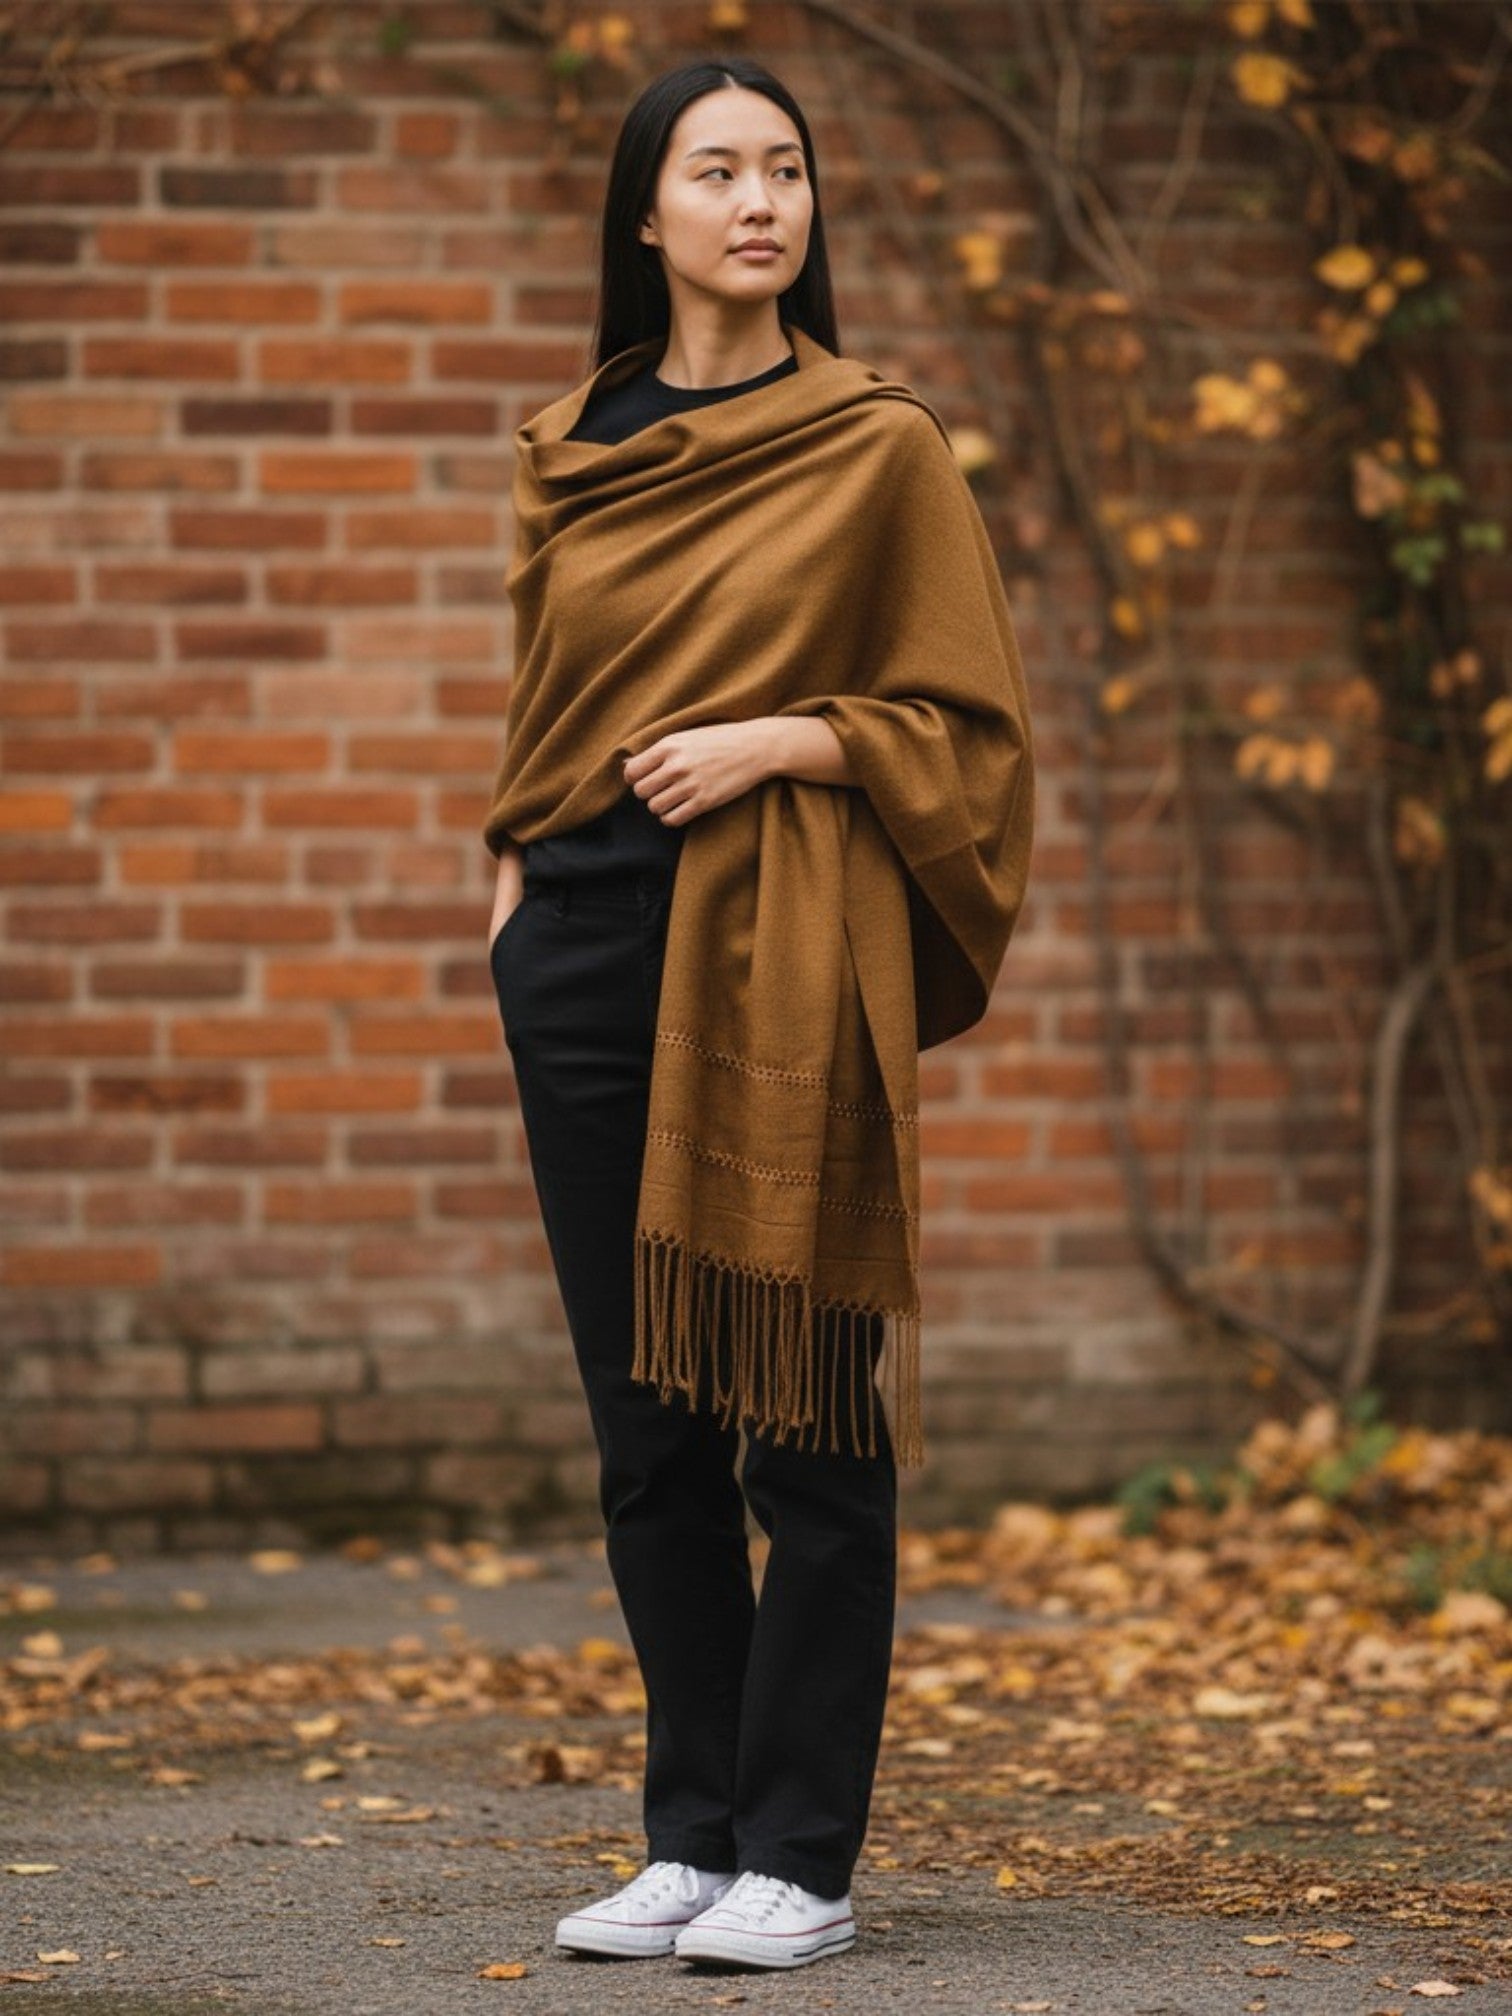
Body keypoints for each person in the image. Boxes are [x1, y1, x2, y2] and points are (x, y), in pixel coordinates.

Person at [480, 56, 1035, 1973]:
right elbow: (549, 692)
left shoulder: (875, 443)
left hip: (780, 939)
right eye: (714, 170)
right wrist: (509, 876)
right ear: (647, 215)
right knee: (645, 1428)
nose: (756, 200)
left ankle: (803, 1854)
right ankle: (689, 1837)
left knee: (800, 1411)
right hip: (579, 946)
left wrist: (785, 740)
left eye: (783, 168)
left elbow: (971, 730)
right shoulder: (576, 439)